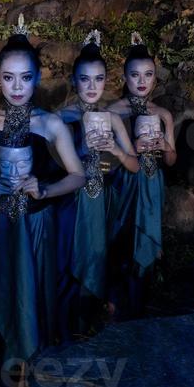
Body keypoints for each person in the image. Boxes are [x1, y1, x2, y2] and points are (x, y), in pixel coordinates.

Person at [0, 18, 85, 370]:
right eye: (9, 77)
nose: (17, 86)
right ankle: (3, 364)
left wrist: (45, 189)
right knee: (0, 288)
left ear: (37, 78)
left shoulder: (51, 123)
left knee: (35, 291)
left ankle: (35, 364)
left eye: (26, 77)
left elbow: (77, 176)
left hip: (36, 224)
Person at [56, 30, 138, 331]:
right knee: (72, 257)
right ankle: (70, 323)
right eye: (85, 79)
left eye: (99, 79)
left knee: (105, 257)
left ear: (107, 81)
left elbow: (134, 166)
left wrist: (113, 148)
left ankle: (103, 319)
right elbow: (51, 166)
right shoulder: (60, 118)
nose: (92, 86)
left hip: (105, 200)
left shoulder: (113, 118)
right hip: (72, 202)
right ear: (74, 81)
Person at [107, 32, 177, 318]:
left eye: (148, 74)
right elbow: (104, 159)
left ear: (155, 79)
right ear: (125, 78)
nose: (141, 81)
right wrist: (130, 149)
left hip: (152, 182)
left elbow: (172, 161)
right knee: (120, 239)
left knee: (145, 243)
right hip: (125, 181)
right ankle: (113, 305)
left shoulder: (163, 114)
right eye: (135, 75)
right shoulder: (115, 111)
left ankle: (139, 306)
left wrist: (165, 145)